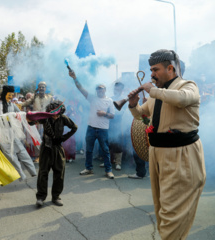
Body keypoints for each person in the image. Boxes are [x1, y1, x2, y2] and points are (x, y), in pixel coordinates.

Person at [128, 49, 206, 239]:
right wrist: (132, 104)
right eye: (151, 70)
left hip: (181, 155)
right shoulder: (157, 93)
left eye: (155, 70)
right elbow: (141, 115)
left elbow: (181, 99)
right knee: (162, 207)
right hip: (158, 154)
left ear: (170, 68)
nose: (152, 74)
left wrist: (153, 90)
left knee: (172, 213)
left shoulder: (188, 86)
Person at [30, 100, 77, 207]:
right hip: (46, 148)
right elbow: (32, 122)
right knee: (43, 173)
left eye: (57, 115)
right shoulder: (45, 118)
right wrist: (29, 118)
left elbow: (74, 128)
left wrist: (63, 138)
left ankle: (56, 197)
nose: (55, 117)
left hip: (58, 148)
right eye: (53, 114)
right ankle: (41, 197)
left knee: (59, 173)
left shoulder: (64, 118)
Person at [69, 71, 115, 179]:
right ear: (96, 90)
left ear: (105, 90)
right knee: (88, 150)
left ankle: (108, 170)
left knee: (105, 150)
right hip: (91, 127)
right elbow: (80, 88)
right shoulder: (92, 98)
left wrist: (104, 113)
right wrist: (75, 78)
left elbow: (112, 115)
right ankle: (88, 168)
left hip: (103, 129)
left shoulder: (109, 100)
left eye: (101, 88)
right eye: (98, 89)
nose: (100, 90)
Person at [0, 85, 37, 181]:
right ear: (4, 94)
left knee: (22, 151)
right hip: (4, 133)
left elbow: (21, 114)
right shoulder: (0, 104)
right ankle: (21, 174)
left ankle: (32, 171)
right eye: (9, 95)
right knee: (11, 155)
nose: (10, 97)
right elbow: (0, 116)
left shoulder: (12, 104)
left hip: (13, 132)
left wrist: (30, 116)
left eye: (12, 95)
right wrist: (12, 116)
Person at [108, 81, 126, 170]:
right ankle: (107, 162)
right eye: (115, 88)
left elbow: (123, 112)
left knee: (118, 144)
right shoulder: (110, 98)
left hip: (119, 124)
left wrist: (113, 113)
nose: (116, 90)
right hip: (109, 123)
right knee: (107, 143)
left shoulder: (124, 99)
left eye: (118, 88)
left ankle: (118, 163)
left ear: (121, 90)